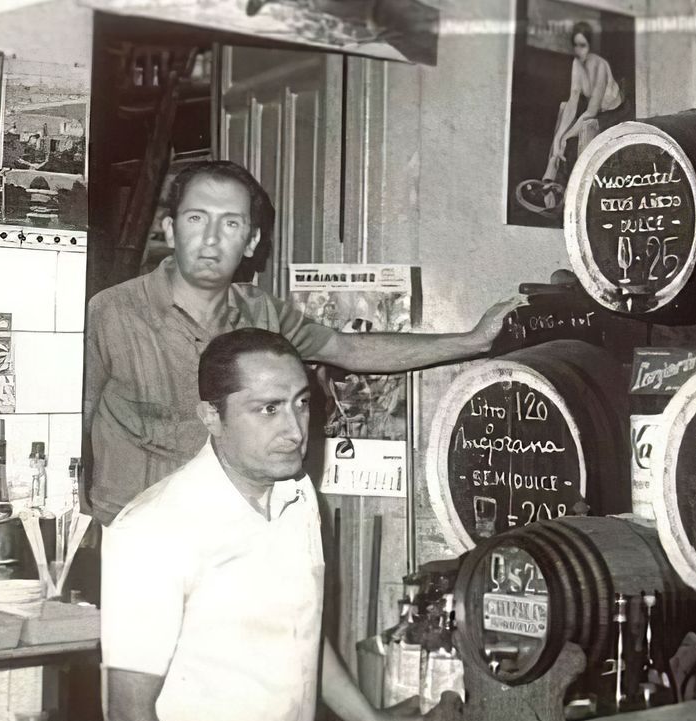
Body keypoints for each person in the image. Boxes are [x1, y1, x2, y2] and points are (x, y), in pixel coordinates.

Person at [83, 159, 523, 526]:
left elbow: (349, 350)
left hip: (236, 533)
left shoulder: (264, 315)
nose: (211, 238)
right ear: (172, 230)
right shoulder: (110, 313)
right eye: (196, 218)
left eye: (230, 223)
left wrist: (474, 341)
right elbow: (71, 423)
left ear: (252, 241)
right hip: (134, 535)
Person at [102, 329, 421, 721]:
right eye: (268, 408)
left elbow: (300, 627)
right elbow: (129, 711)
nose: (295, 431)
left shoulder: (298, 494)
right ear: (212, 416)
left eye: (301, 403)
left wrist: (369, 720)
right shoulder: (155, 528)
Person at [533, 21, 626, 211]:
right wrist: (559, 137)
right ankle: (549, 176)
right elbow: (574, 98)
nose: (578, 50)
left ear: (590, 46)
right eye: (575, 45)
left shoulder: (600, 65)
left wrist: (567, 136)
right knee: (563, 108)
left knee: (580, 133)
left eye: (582, 45)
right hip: (595, 110)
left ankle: (570, 195)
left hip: (614, 113)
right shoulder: (577, 63)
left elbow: (591, 111)